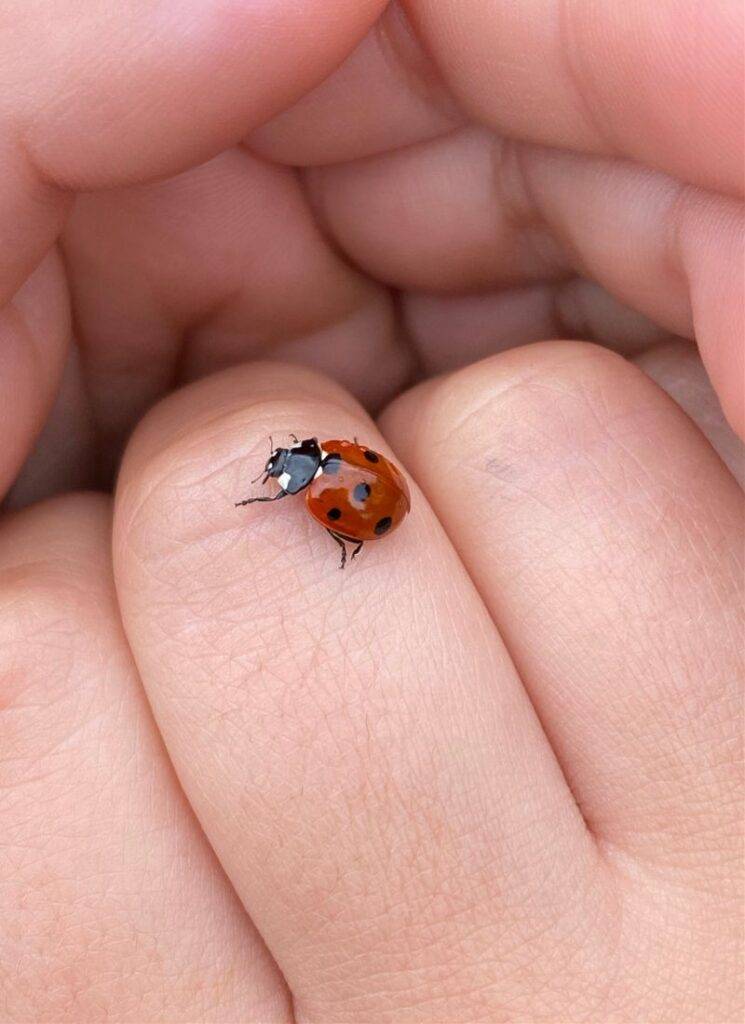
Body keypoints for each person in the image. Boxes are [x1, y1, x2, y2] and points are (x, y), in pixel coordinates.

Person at [0, 2, 742, 1020]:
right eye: (302, 475)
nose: (299, 475)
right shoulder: (333, 475)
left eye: (296, 473)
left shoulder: (327, 480)